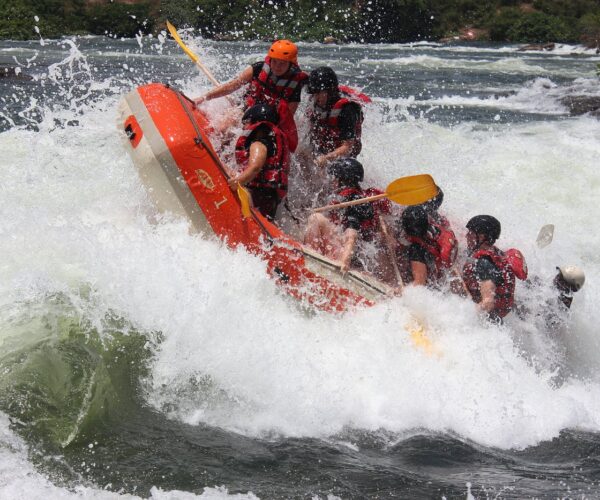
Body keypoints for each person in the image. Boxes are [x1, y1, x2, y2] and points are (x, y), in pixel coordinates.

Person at [194, 40, 307, 151]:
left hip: (268, 120)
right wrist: (204, 97)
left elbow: (288, 115)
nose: (277, 66)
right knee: (224, 128)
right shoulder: (258, 68)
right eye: (275, 61)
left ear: (291, 64)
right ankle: (212, 151)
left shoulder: (295, 84)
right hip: (245, 108)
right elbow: (232, 86)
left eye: (282, 63)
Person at [303, 158, 395, 274]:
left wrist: (343, 262)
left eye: (335, 178)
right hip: (359, 256)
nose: (333, 182)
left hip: (350, 256)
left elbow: (351, 235)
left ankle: (310, 260)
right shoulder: (360, 198)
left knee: (316, 218)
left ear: (343, 180)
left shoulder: (353, 200)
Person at [228, 103, 290, 220]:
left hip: (257, 195)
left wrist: (238, 181)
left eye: (246, 123)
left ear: (256, 123)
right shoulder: (275, 144)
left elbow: (255, 167)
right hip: (270, 200)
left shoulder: (259, 144)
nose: (243, 128)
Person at [461, 215, 528, 321]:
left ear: (481, 237)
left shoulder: (484, 263)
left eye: (470, 233)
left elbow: (488, 303)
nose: (466, 236)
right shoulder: (497, 254)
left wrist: (461, 315)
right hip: (497, 322)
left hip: (485, 324)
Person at [306, 67, 370, 169]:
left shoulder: (347, 109)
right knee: (302, 158)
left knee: (336, 170)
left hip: (345, 155)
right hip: (323, 146)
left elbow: (347, 147)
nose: (315, 97)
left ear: (330, 91)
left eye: (318, 93)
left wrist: (326, 158)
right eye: (314, 93)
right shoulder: (315, 103)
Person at [398, 205, 458, 287]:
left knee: (414, 249)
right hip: (436, 262)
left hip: (433, 266)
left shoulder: (418, 248)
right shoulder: (431, 226)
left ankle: (415, 278)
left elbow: (419, 285)